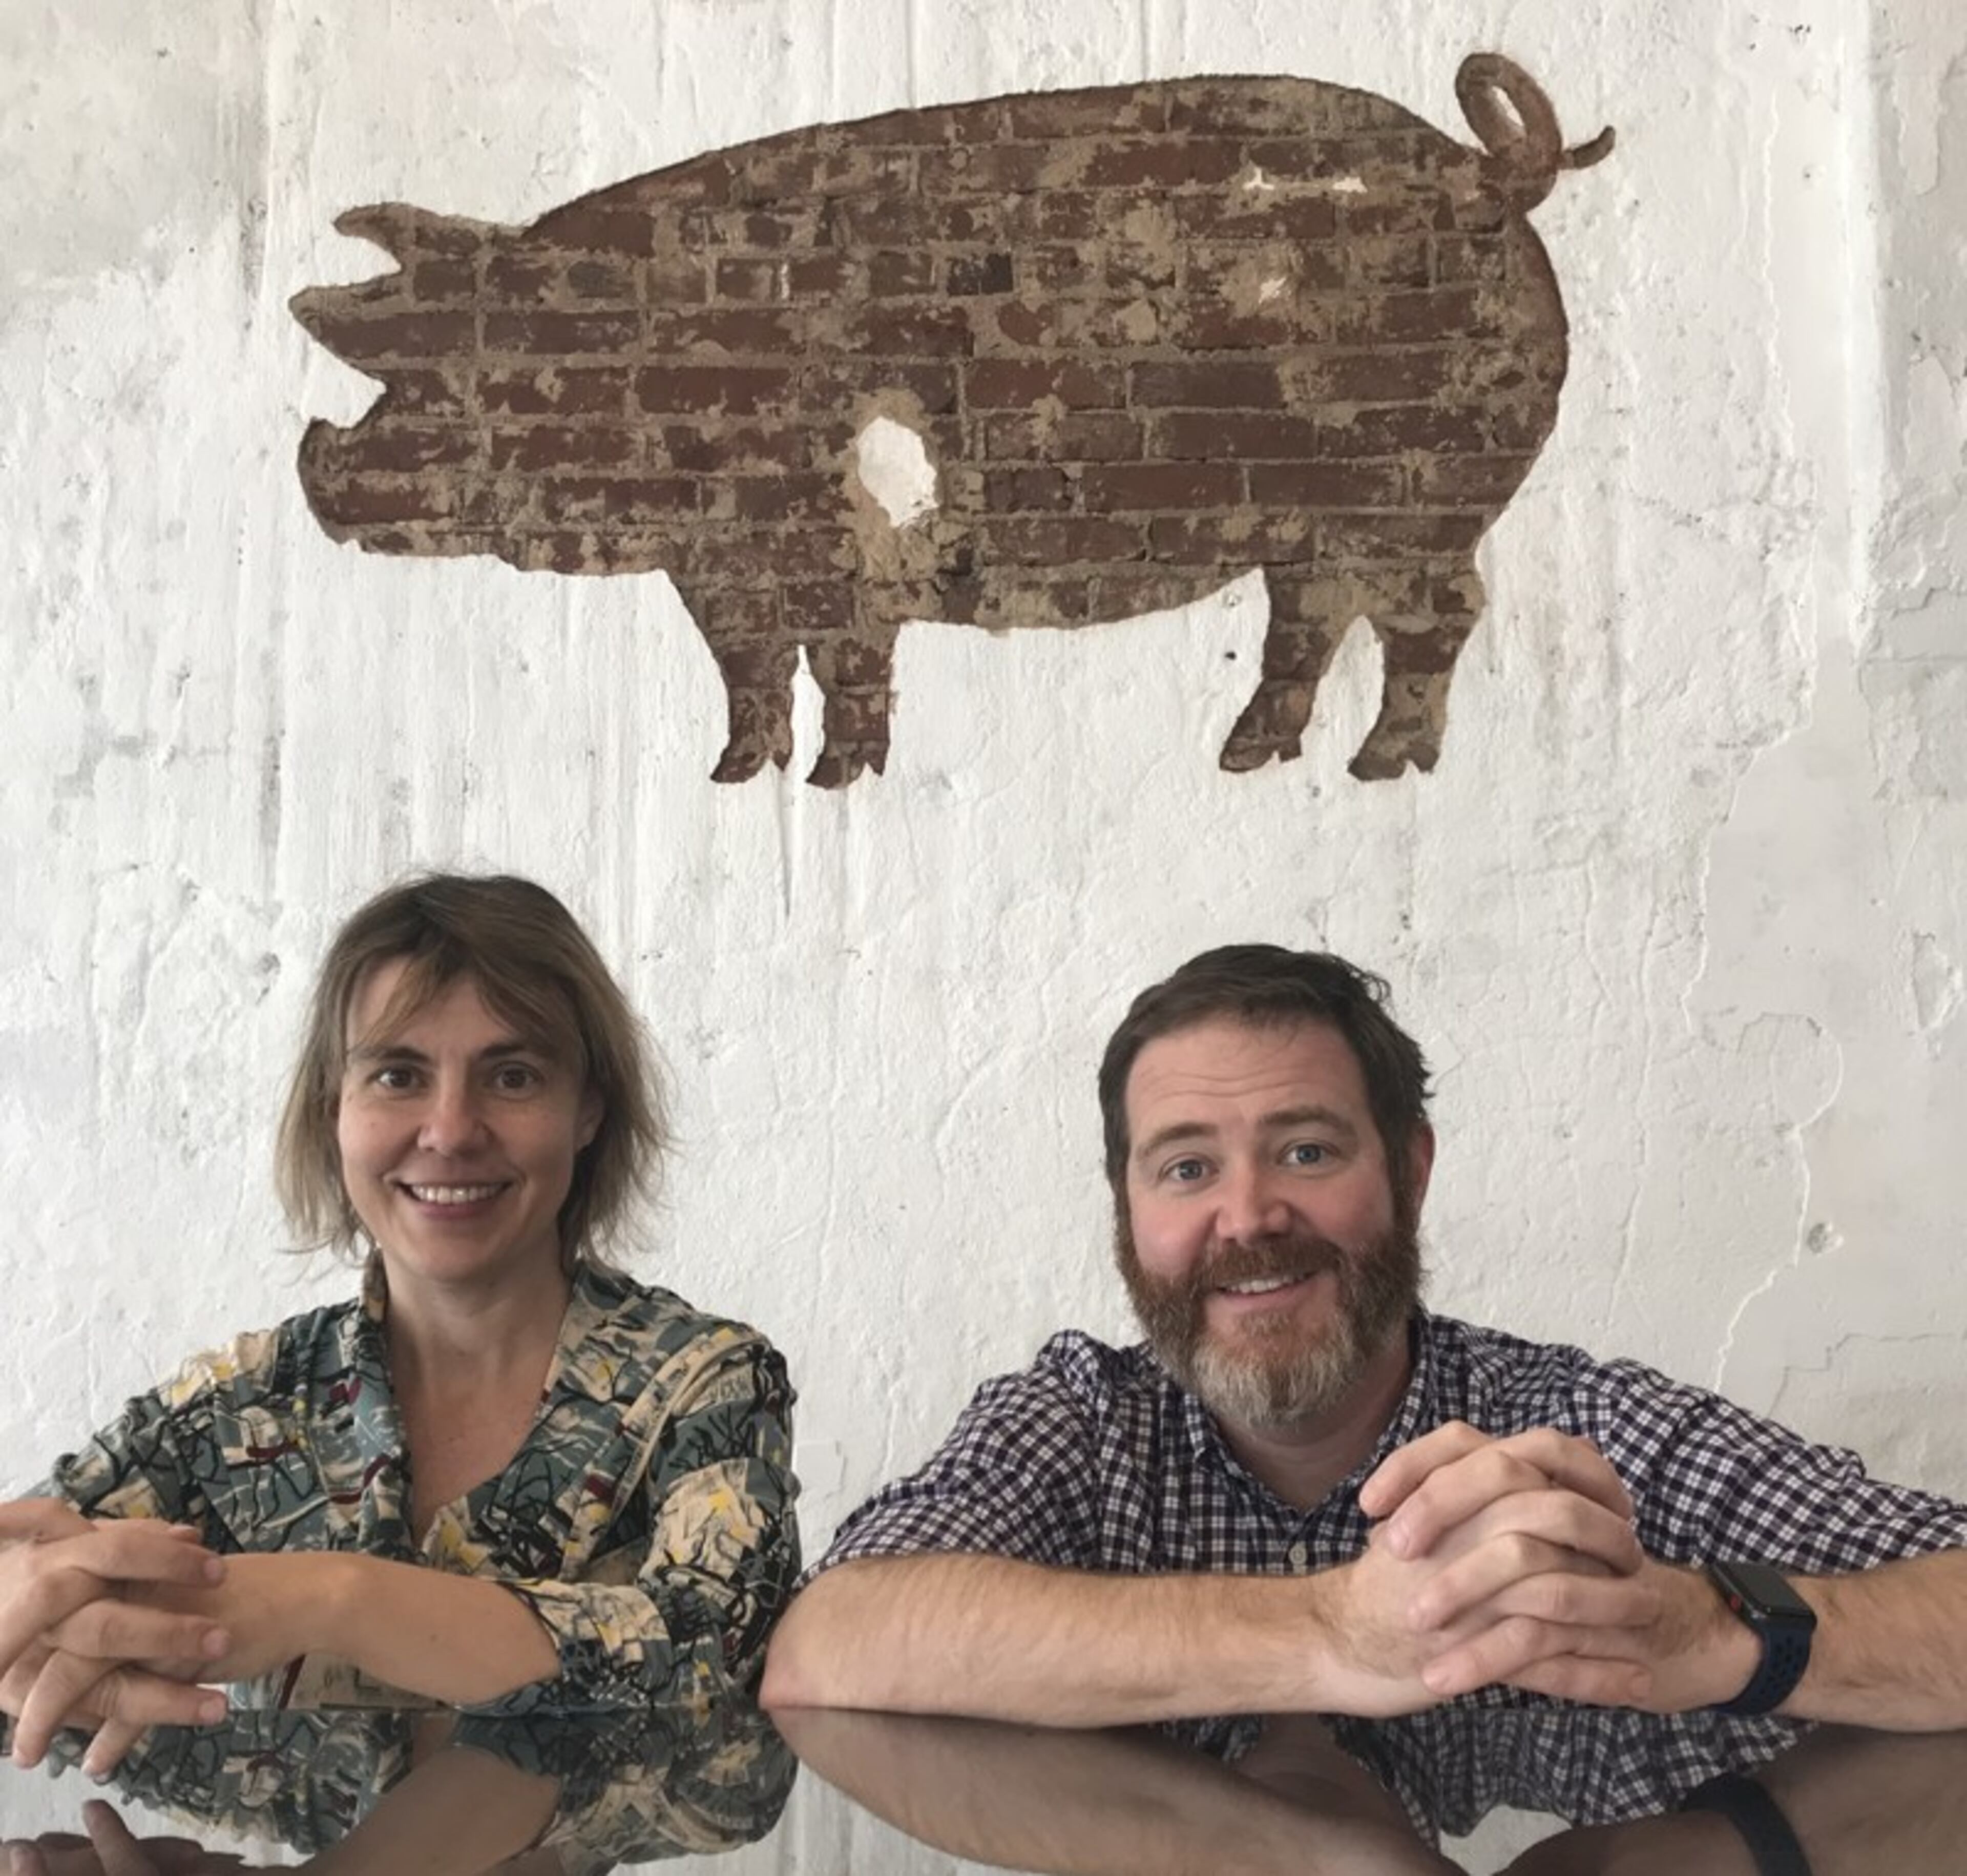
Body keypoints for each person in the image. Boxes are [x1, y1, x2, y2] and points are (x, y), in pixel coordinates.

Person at [762, 944, 1967, 1830]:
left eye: (1307, 1149)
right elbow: (829, 1642)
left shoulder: (1579, 1433)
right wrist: (1336, 1632)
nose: (1249, 1216)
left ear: (1410, 1170)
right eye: (1186, 1167)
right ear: (1127, 1213)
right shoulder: (1081, 1421)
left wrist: (1710, 1630)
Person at [0, 873, 799, 1778]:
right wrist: (34, 1612)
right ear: (333, 1111)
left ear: (588, 1111)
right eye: (398, 1075)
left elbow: (712, 1655)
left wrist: (330, 1597)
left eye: (512, 1075)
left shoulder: (705, 1381)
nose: (451, 1130)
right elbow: (39, 1585)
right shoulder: (238, 1405)